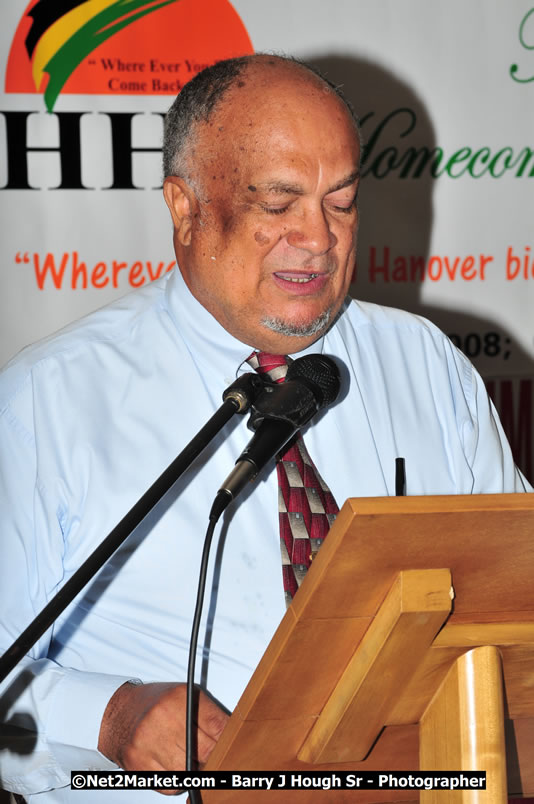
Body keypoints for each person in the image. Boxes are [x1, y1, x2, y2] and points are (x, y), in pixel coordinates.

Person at [0, 54, 530, 802]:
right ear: (185, 208)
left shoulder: (423, 363)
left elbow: (517, 599)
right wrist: (109, 717)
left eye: (341, 203)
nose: (318, 238)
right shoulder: (46, 402)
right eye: (279, 205)